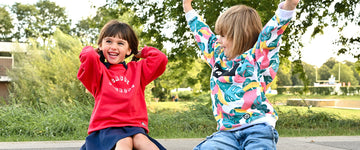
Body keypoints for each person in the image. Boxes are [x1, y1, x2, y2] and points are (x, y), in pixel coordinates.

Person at [183, 0, 299, 149]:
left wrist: (289, 6)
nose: (219, 39)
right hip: (226, 133)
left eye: (223, 35)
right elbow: (201, 32)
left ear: (239, 36)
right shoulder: (217, 55)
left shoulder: (257, 58)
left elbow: (271, 33)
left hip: (257, 128)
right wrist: (187, 6)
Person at [77, 20, 167, 150]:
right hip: (107, 127)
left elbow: (160, 59)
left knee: (142, 141)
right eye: (108, 42)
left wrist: (142, 52)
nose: (113, 47)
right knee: (124, 141)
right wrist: (94, 50)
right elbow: (89, 56)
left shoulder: (137, 70)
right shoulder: (98, 72)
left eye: (120, 43)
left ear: (129, 50)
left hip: (134, 126)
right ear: (101, 45)